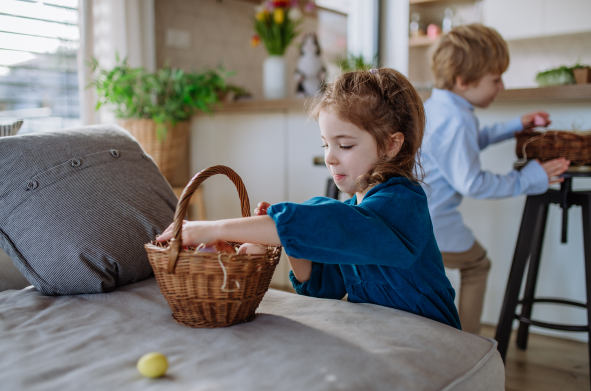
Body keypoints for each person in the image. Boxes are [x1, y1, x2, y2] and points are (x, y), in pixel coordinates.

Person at [158, 68, 461, 329]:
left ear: (391, 145)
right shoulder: (354, 207)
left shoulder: (401, 205)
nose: (330, 157)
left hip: (430, 332)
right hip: (386, 332)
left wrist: (214, 229)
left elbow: (335, 224)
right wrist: (286, 241)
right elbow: (323, 288)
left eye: (344, 145)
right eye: (325, 144)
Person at [420, 23, 570, 334]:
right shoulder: (458, 121)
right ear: (464, 81)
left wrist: (515, 125)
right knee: (478, 265)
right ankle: (470, 346)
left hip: (414, 218)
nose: (501, 86)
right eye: (496, 79)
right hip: (430, 226)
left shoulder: (436, 108)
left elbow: (468, 143)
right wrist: (530, 178)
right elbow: (473, 183)